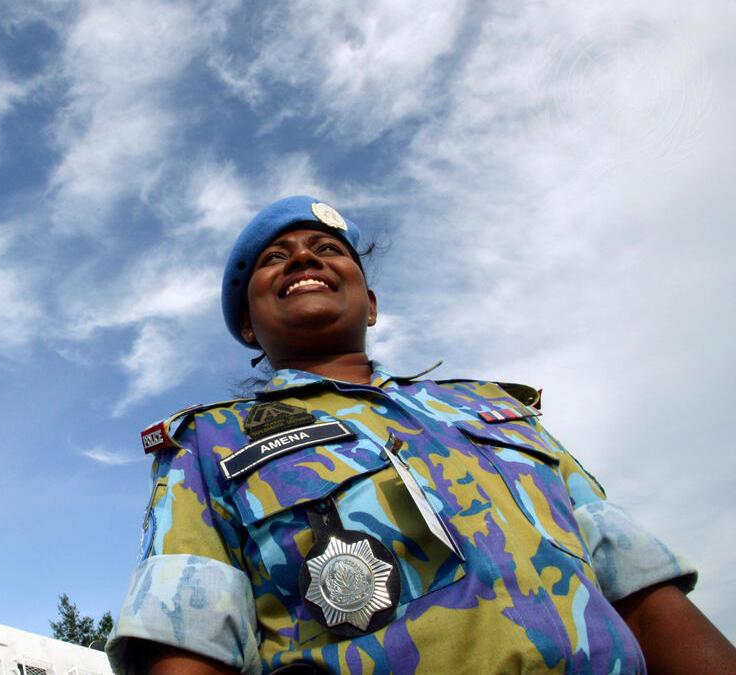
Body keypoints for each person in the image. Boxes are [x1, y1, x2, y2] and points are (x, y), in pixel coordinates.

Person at [106, 195, 736, 674]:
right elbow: (185, 641)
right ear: (248, 324)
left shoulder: (496, 409)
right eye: (275, 257)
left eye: (328, 250)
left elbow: (640, 590)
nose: (303, 257)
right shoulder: (209, 443)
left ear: (371, 303)